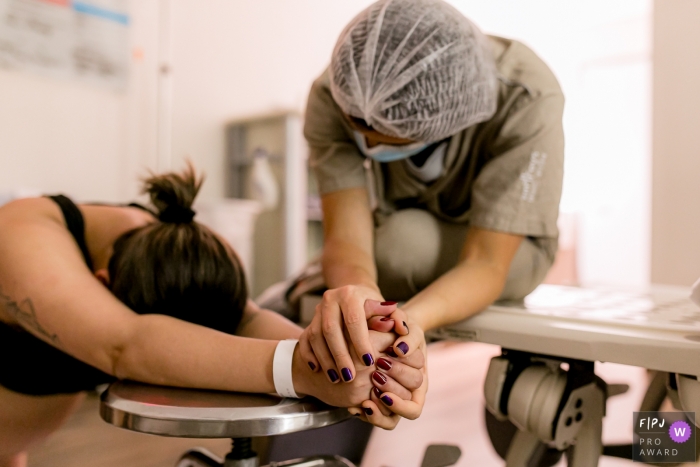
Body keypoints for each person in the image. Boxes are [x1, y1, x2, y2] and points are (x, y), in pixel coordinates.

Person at [0, 165, 423, 467]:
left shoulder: (173, 251)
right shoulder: (20, 237)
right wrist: (299, 371)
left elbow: (245, 318)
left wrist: (343, 357)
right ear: (101, 284)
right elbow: (126, 343)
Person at [298, 0, 565, 418]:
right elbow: (346, 237)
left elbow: (486, 262)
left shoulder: (525, 96)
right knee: (394, 244)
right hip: (402, 228)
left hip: (506, 250)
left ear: (444, 123)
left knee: (400, 248)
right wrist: (361, 303)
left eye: (387, 140)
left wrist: (410, 326)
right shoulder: (335, 92)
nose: (368, 146)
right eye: (360, 133)